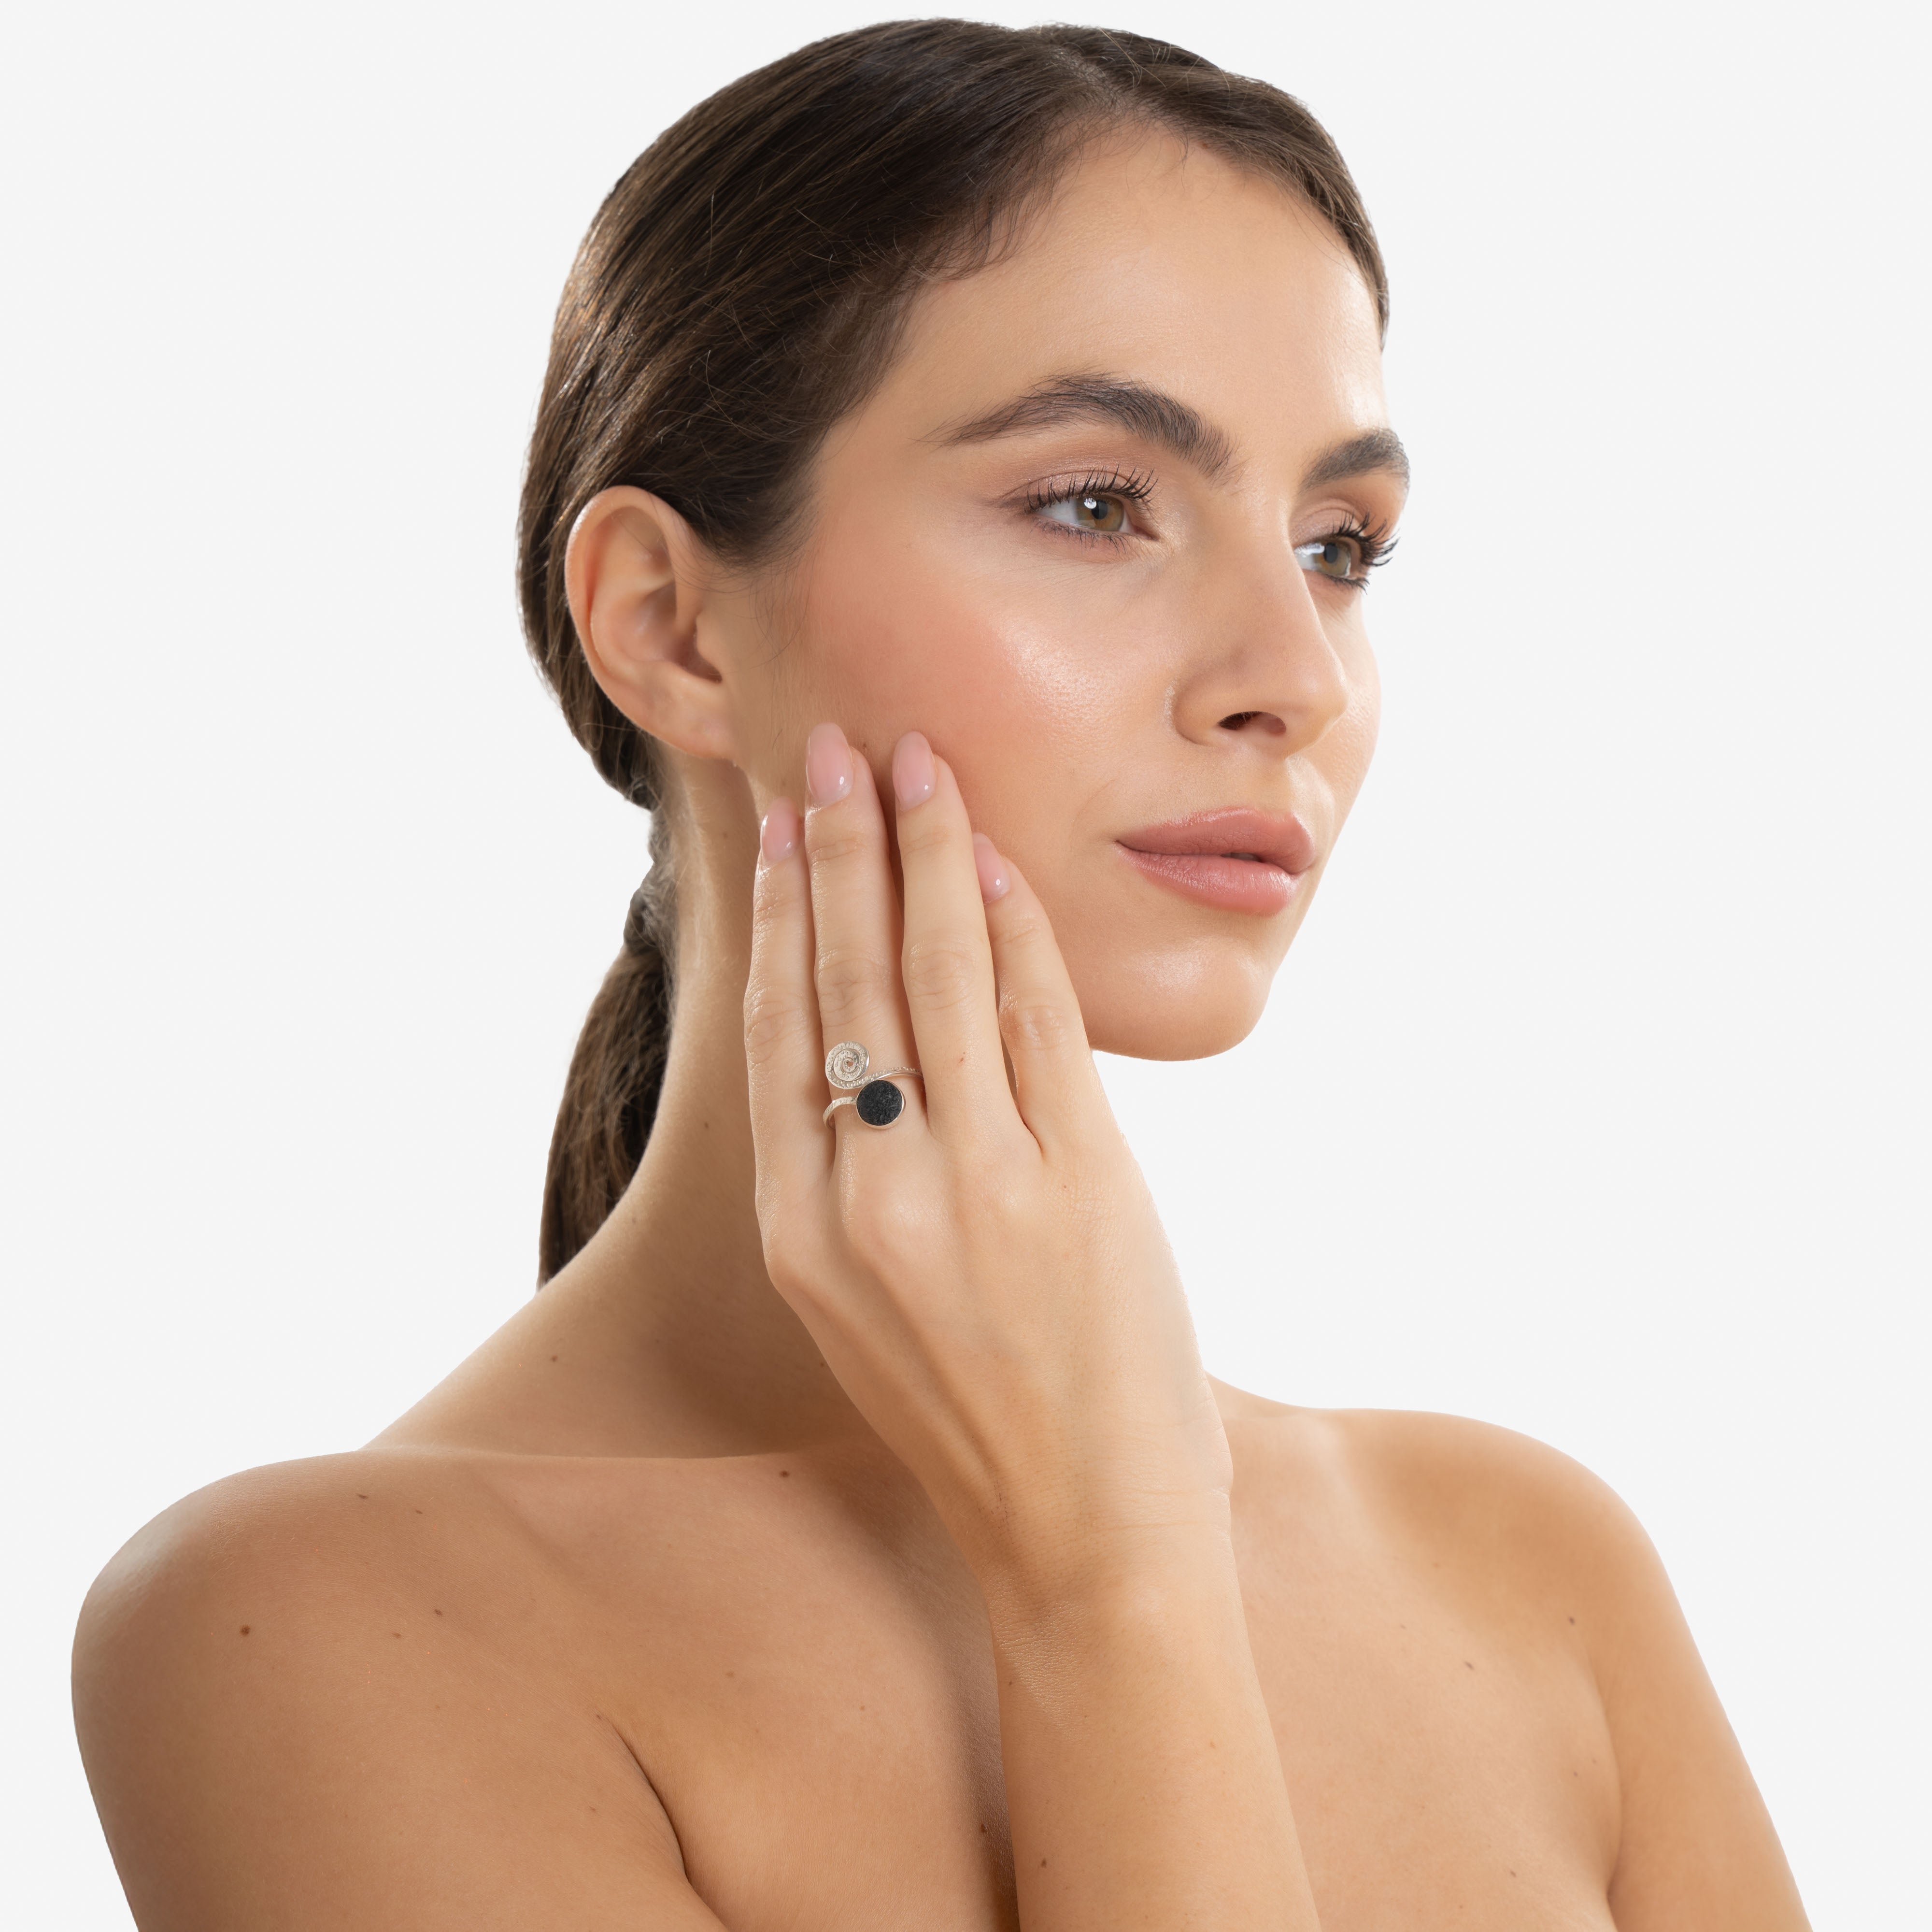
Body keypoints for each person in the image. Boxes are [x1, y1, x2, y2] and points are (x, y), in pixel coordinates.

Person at [71, 21, 1811, 1929]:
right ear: (670, 624)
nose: (1296, 678)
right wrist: (1105, 1576)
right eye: (1096, 505)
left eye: (1340, 546)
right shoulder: (311, 1636)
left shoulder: (1533, 1569)